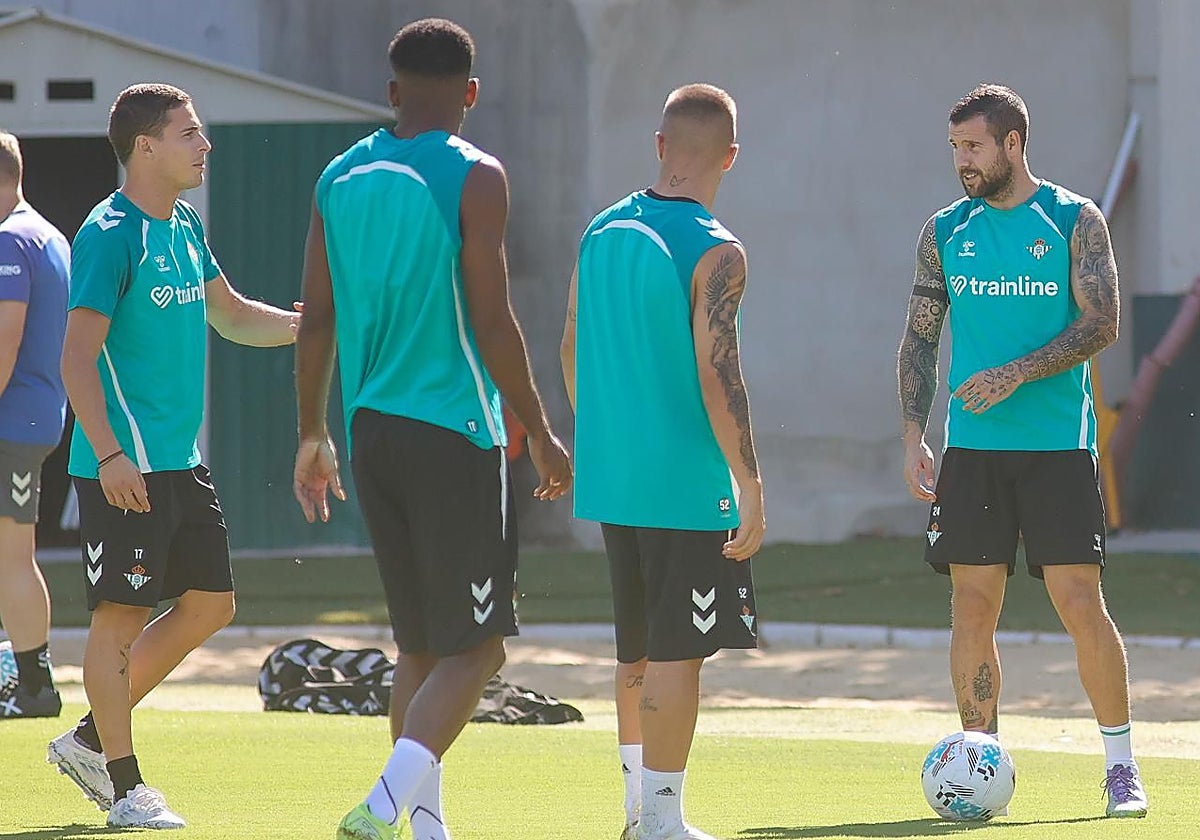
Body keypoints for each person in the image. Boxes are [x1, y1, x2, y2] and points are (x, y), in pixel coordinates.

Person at [291, 18, 571, 840]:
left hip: (369, 429)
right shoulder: (476, 175)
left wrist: (312, 433)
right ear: (472, 94)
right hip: (454, 432)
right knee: (480, 648)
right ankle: (382, 804)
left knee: (419, 643)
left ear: (391, 92)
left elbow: (316, 323)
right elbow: (493, 318)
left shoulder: (337, 177)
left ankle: (425, 825)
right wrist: (541, 426)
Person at [50, 83, 300, 829]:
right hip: (125, 468)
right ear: (146, 146)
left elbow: (230, 313)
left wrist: (307, 329)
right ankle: (125, 788)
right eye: (189, 133)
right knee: (119, 621)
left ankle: (91, 740)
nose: (205, 145)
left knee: (210, 605)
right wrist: (109, 453)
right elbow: (76, 359)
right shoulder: (107, 234)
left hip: (179, 463)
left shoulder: (185, 226)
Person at [896, 83, 1148, 819]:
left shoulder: (1074, 219)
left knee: (1078, 600)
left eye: (972, 146)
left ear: (1012, 143)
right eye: (954, 149)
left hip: (1057, 449)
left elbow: (1103, 324)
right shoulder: (944, 229)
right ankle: (980, 767)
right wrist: (914, 431)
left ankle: (1122, 766)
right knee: (972, 606)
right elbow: (919, 336)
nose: (961, 161)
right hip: (971, 451)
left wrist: (1017, 372)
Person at [561, 83, 765, 840]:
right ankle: (662, 823)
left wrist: (608, 439)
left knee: (636, 653)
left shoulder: (600, 230)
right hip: (686, 484)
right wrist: (749, 481)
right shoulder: (718, 249)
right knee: (680, 655)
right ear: (731, 157)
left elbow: (570, 346)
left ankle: (635, 812)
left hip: (613, 479)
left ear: (659, 144)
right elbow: (721, 375)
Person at [0, 129, 70, 720]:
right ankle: (28, 681)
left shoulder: (9, 241)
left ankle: (33, 688)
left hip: (10, 423)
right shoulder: (49, 236)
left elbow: (5, 339)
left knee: (12, 555)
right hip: (37, 417)